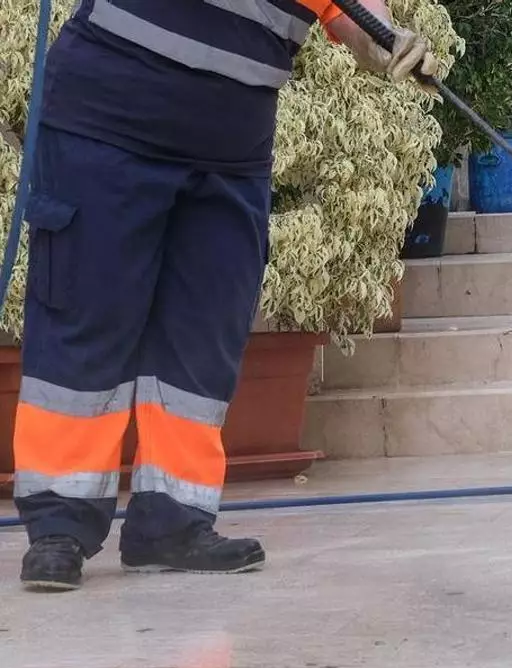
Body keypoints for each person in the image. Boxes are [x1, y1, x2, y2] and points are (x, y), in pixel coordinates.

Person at [13, 0, 440, 592]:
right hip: (107, 120)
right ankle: (59, 525)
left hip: (232, 148)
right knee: (88, 314)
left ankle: (173, 521)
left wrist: (386, 39)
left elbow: (348, 12)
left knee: (202, 333)